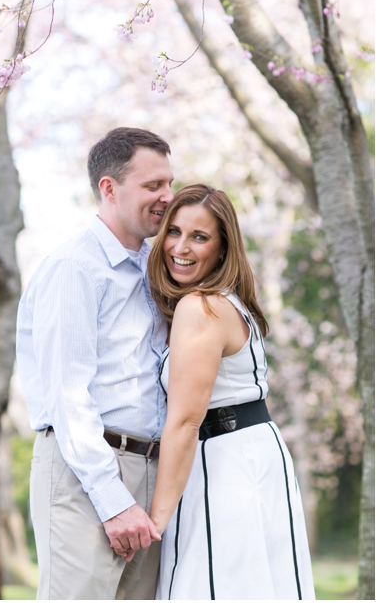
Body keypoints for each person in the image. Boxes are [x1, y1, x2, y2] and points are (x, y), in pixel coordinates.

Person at [16, 127, 174, 599]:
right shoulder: (75, 268)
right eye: (153, 186)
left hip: (151, 469)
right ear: (109, 188)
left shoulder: (155, 266)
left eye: (170, 183)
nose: (167, 197)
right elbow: (68, 397)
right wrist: (112, 501)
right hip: (85, 471)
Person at [146, 184, 315, 599]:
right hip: (252, 453)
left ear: (222, 250)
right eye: (174, 231)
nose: (180, 247)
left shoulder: (200, 307)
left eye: (199, 237)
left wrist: (156, 522)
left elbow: (185, 421)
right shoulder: (228, 301)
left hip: (223, 463)